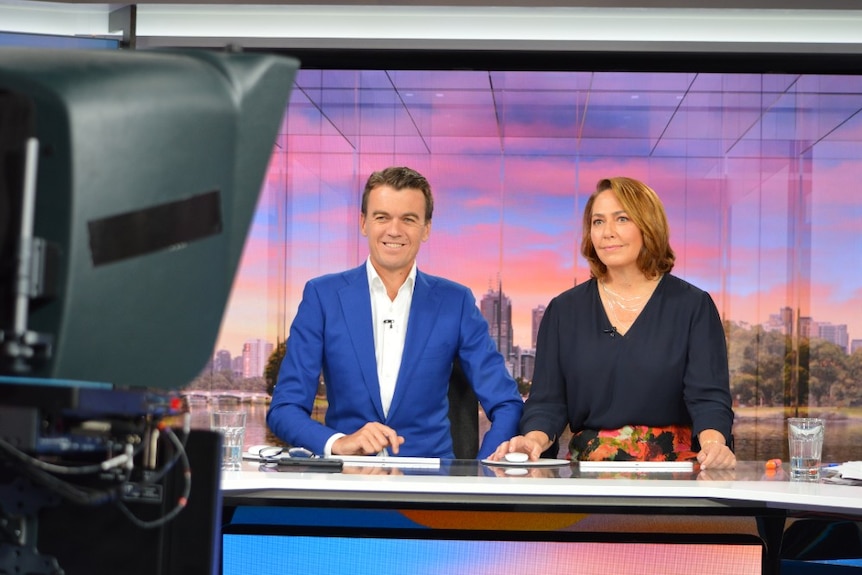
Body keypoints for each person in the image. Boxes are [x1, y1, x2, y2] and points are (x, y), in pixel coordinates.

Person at [267, 166, 523, 460]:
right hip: (348, 485)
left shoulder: (457, 302)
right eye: (382, 217)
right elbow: (284, 408)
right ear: (363, 223)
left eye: (409, 219)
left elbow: (507, 403)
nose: (394, 230)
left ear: (426, 228)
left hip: (431, 491)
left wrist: (483, 473)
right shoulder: (322, 297)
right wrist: (338, 443)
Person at [490, 176, 736, 470]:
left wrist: (714, 446)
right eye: (597, 222)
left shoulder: (693, 306)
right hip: (588, 475)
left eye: (621, 219)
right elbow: (547, 403)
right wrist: (533, 439)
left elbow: (708, 398)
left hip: (675, 473)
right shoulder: (564, 311)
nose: (607, 233)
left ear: (648, 225)